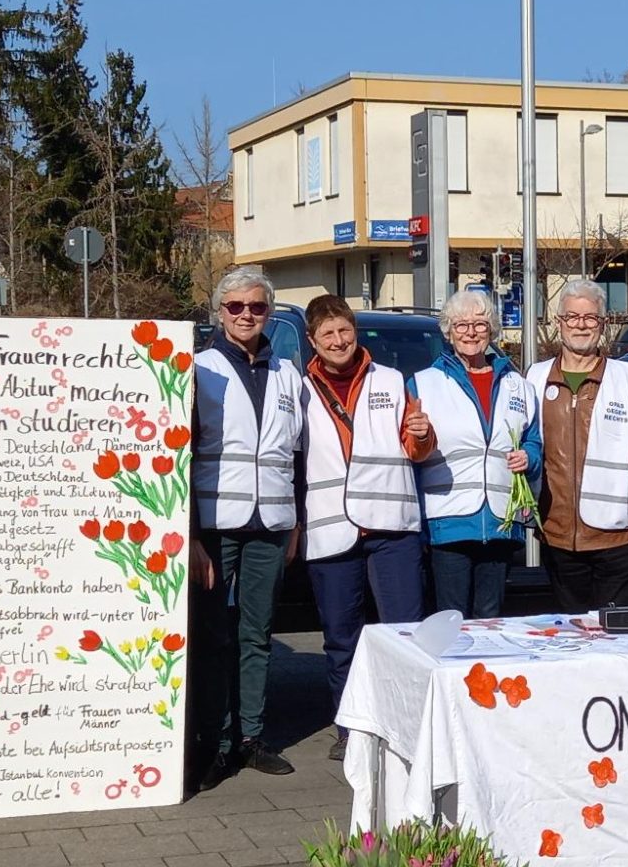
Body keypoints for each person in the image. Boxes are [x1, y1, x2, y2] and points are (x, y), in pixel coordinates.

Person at [301, 295, 436, 760]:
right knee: (342, 639)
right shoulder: (300, 390)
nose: (339, 341)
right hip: (331, 529)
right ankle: (351, 730)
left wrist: (422, 434)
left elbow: (417, 448)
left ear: (354, 331)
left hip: (392, 528)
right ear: (313, 342)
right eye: (328, 335)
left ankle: (407, 723)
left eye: (344, 331)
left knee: (403, 634)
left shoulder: (393, 381)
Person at [191, 266, 304, 791]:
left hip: (272, 523)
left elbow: (297, 455)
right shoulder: (199, 370)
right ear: (220, 313)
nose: (245, 316)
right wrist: (191, 535)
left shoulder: (288, 375)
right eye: (235, 307)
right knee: (214, 636)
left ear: (269, 314)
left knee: (256, 634)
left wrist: (296, 520)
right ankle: (212, 742)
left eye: (256, 308)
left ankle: (251, 738)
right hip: (216, 524)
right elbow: (180, 457)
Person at [526, 279, 628, 612]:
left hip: (615, 534)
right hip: (556, 533)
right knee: (570, 637)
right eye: (572, 317)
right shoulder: (535, 378)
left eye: (590, 318)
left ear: (602, 325)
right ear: (559, 323)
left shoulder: (627, 380)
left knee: (613, 637)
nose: (581, 325)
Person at [409, 290, 542, 618]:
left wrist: (529, 456)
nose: (471, 332)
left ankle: (486, 672)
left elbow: (535, 441)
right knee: (451, 619)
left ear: (493, 330)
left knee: (491, 618)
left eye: (480, 324)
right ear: (448, 331)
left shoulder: (517, 385)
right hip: (448, 520)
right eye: (461, 325)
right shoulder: (423, 384)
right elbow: (410, 453)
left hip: (500, 521)